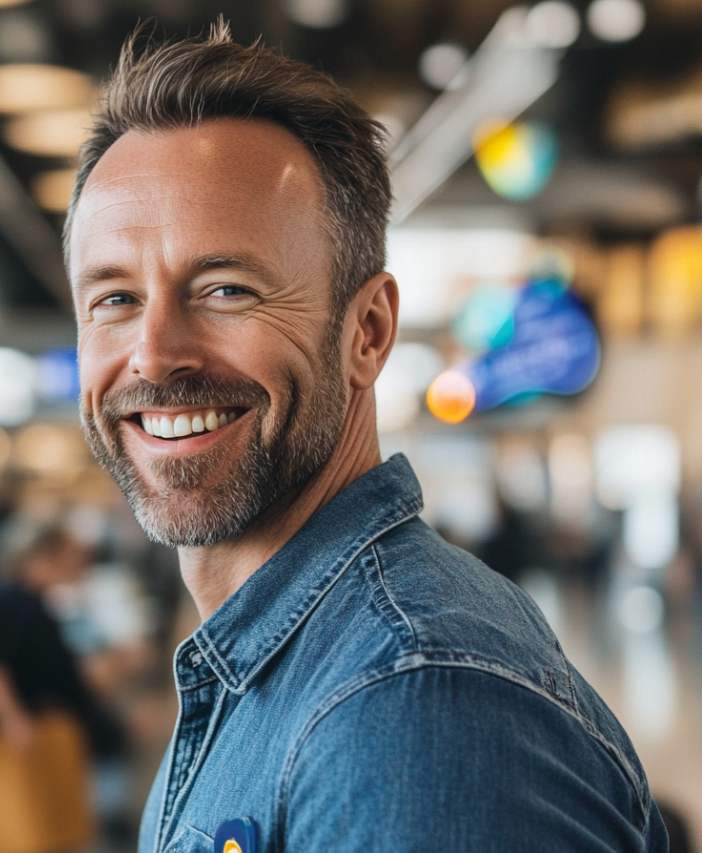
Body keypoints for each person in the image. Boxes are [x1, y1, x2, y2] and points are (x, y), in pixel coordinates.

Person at [66, 24, 668, 853]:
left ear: (368, 330)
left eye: (226, 288)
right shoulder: (282, 665)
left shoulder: (411, 709)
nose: (156, 353)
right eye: (114, 299)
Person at [0, 516, 124, 762]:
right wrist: (13, 720)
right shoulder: (8, 603)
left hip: (57, 728)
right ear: (42, 556)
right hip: (34, 737)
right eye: (68, 555)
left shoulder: (34, 602)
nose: (77, 563)